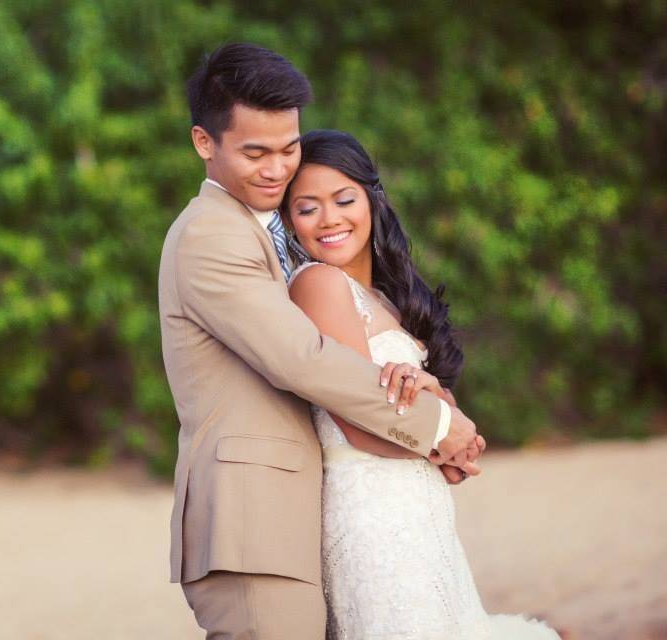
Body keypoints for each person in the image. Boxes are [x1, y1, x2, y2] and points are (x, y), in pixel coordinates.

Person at [158, 43, 484, 639]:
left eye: (289, 149)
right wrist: (438, 431)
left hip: (294, 516)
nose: (278, 169)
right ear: (204, 143)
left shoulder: (265, 235)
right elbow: (300, 358)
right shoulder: (211, 233)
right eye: (255, 153)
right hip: (250, 523)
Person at [283, 128, 561, 639]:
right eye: (307, 208)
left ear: (372, 198)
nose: (329, 220)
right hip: (376, 521)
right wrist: (450, 440)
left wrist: (438, 403)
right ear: (287, 220)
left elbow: (426, 407)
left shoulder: (385, 298)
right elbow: (363, 427)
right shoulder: (318, 285)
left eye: (344, 199)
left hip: (419, 514)